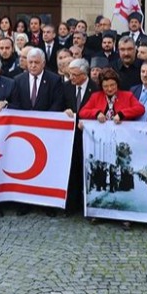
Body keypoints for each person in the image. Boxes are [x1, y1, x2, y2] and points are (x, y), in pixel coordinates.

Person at [63, 58, 97, 215]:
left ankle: (87, 205)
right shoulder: (66, 87)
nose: (71, 78)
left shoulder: (95, 89)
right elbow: (59, 104)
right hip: (70, 137)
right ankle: (71, 204)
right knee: (72, 171)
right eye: (70, 74)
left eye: (75, 75)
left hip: (89, 137)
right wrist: (64, 112)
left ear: (84, 74)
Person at [78, 68, 145, 123]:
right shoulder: (95, 96)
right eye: (106, 86)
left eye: (112, 85)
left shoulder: (127, 95)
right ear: (101, 86)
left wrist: (122, 114)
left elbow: (140, 109)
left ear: (117, 84)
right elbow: (82, 112)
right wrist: (96, 113)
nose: (109, 89)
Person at [13, 48, 64, 112]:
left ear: (43, 63)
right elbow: (16, 103)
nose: (33, 65)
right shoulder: (18, 80)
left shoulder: (54, 80)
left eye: (36, 62)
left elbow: (57, 104)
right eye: (30, 62)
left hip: (46, 120)